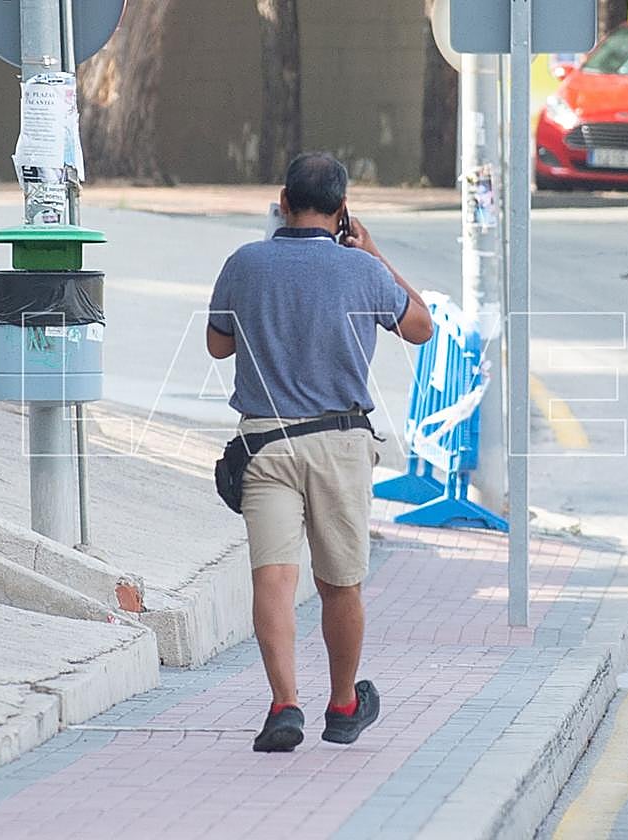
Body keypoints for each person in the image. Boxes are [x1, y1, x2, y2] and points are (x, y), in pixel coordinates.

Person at [206, 152, 433, 752]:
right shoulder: (362, 270)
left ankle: (284, 704)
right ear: (342, 210)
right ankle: (343, 704)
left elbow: (217, 346)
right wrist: (373, 252)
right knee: (340, 584)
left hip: (265, 444)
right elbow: (421, 327)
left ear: (283, 202)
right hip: (340, 445)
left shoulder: (245, 262)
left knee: (274, 579)